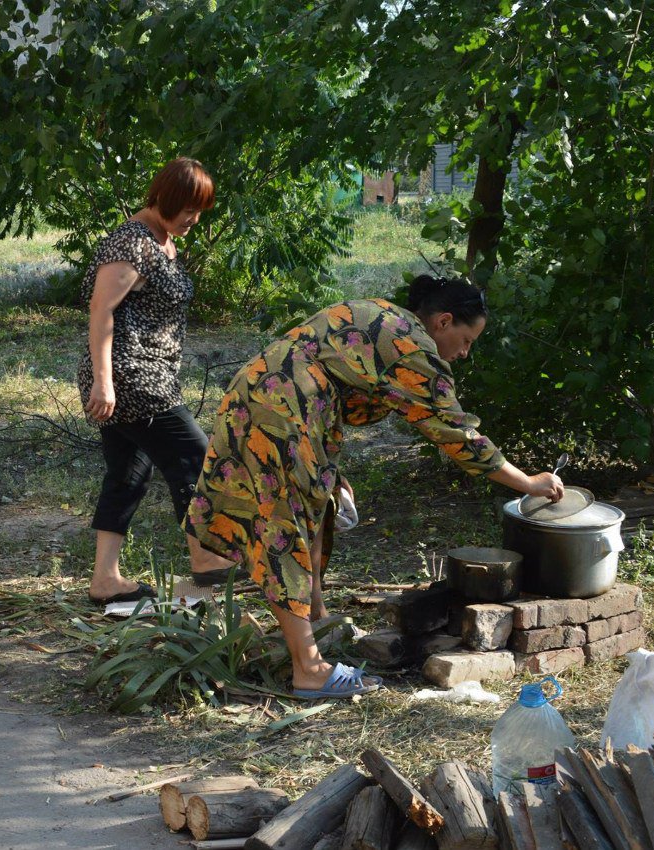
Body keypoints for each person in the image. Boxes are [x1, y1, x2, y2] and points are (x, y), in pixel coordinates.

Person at [185, 276, 565, 697]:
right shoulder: (414, 348)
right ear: (443, 321)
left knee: (309, 502)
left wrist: (327, 465)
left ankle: (308, 617)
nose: (464, 353)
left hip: (254, 391)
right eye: (466, 341)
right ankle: (308, 669)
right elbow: (459, 436)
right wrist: (528, 482)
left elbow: (328, 376)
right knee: (283, 527)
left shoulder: (385, 314)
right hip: (281, 410)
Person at [77, 157, 237, 606]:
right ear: (165, 199)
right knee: (194, 455)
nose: (194, 219)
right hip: (130, 376)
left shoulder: (162, 241)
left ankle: (105, 579)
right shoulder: (132, 242)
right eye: (188, 208)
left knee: (128, 472)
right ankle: (205, 558)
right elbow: (101, 310)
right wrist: (104, 382)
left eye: (199, 210)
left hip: (147, 372)